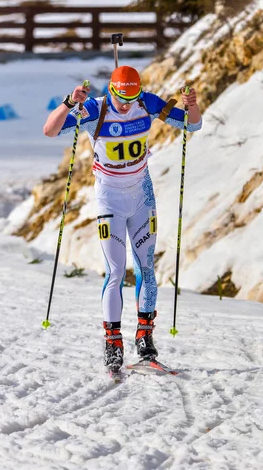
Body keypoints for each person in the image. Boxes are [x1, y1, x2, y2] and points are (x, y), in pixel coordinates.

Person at [43, 65, 202, 372]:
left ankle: (145, 339)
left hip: (142, 196)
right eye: (121, 98)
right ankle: (113, 342)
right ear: (111, 91)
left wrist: (191, 107)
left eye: (132, 97)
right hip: (109, 199)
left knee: (146, 268)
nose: (127, 105)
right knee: (115, 270)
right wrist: (68, 103)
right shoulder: (94, 109)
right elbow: (50, 130)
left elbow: (192, 126)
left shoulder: (147, 102)